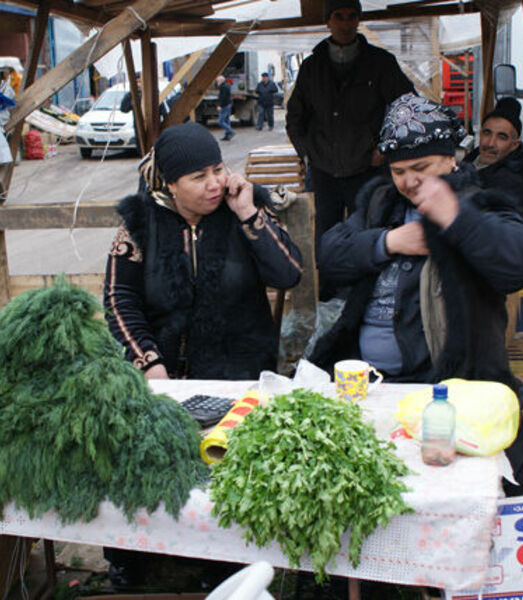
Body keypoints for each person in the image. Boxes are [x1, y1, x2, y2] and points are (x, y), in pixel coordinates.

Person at [308, 93, 523, 389]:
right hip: (365, 380)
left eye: (421, 168)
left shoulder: (479, 202)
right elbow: (329, 254)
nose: (408, 182)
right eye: (398, 171)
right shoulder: (380, 204)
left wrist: (458, 221)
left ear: (450, 159)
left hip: (442, 387)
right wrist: (388, 242)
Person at [104, 121, 302, 381]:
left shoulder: (246, 213)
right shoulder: (141, 224)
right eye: (199, 177)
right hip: (167, 374)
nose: (215, 184)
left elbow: (288, 275)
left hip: (241, 376)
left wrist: (247, 213)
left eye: (218, 170)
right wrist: (148, 362)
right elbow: (119, 298)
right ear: (171, 184)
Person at [286, 0, 416, 254]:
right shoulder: (312, 67)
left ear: (358, 20)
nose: (345, 23)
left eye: (351, 16)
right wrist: (307, 152)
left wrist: (386, 146)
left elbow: (408, 107)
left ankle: (365, 293)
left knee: (370, 233)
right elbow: (295, 117)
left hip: (367, 169)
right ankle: (328, 291)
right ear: (328, 22)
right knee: (326, 237)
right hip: (324, 172)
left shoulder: (380, 63)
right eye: (338, 16)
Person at [464, 96, 523, 217]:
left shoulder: (512, 185)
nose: (490, 143)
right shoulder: (470, 161)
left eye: (502, 137)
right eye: (487, 133)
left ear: (514, 145)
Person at [216, 75, 235, 141]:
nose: (217, 82)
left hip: (224, 106)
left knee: (221, 121)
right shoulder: (226, 86)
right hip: (228, 105)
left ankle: (230, 131)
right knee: (227, 121)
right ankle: (227, 135)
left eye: (217, 81)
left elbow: (223, 97)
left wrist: (220, 105)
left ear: (221, 81)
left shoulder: (223, 87)